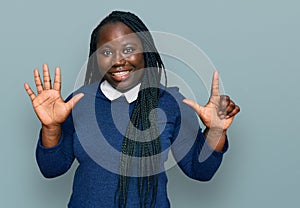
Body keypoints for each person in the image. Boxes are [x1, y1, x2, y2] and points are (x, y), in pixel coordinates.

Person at [24, 11, 240, 208]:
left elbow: (200, 170)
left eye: (128, 50)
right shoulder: (80, 101)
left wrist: (216, 131)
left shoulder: (170, 103)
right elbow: (52, 169)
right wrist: (51, 127)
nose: (118, 61)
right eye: (106, 51)